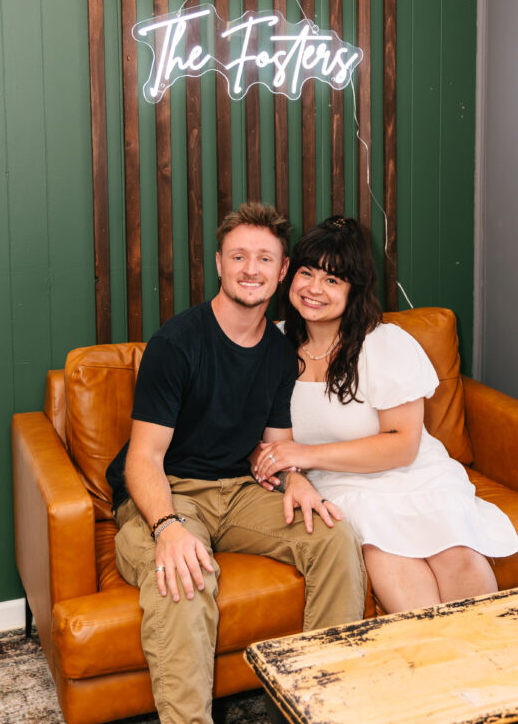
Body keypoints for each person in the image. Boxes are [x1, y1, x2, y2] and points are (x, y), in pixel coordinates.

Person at [106, 203, 366, 724]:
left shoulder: (279, 352)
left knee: (334, 536)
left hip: (240, 490)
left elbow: (276, 445)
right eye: (239, 256)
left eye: (264, 258)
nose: (252, 269)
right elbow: (143, 459)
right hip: (169, 490)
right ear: (219, 263)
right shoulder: (176, 344)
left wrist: (296, 480)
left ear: (282, 270)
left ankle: (322, 709)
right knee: (184, 577)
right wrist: (167, 527)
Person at [253, 215, 518, 615]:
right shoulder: (270, 344)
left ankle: (495, 654)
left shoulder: (383, 344)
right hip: (339, 486)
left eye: (332, 279)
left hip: (411, 474)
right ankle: (434, 656)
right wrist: (292, 468)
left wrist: (305, 454)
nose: (314, 288)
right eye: (307, 273)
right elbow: (261, 442)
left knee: (457, 554)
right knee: (388, 554)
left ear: (354, 290)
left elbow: (403, 446)